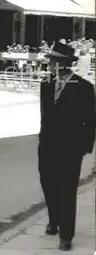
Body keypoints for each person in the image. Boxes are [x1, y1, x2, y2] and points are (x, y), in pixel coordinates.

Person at [38, 41, 95, 251]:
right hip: (47, 146)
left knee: (67, 190)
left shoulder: (84, 88)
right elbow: (44, 116)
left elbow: (90, 121)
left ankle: (66, 236)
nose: (49, 64)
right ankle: (55, 220)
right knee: (48, 183)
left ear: (63, 64)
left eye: (52, 61)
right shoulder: (45, 84)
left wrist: (84, 148)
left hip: (71, 149)